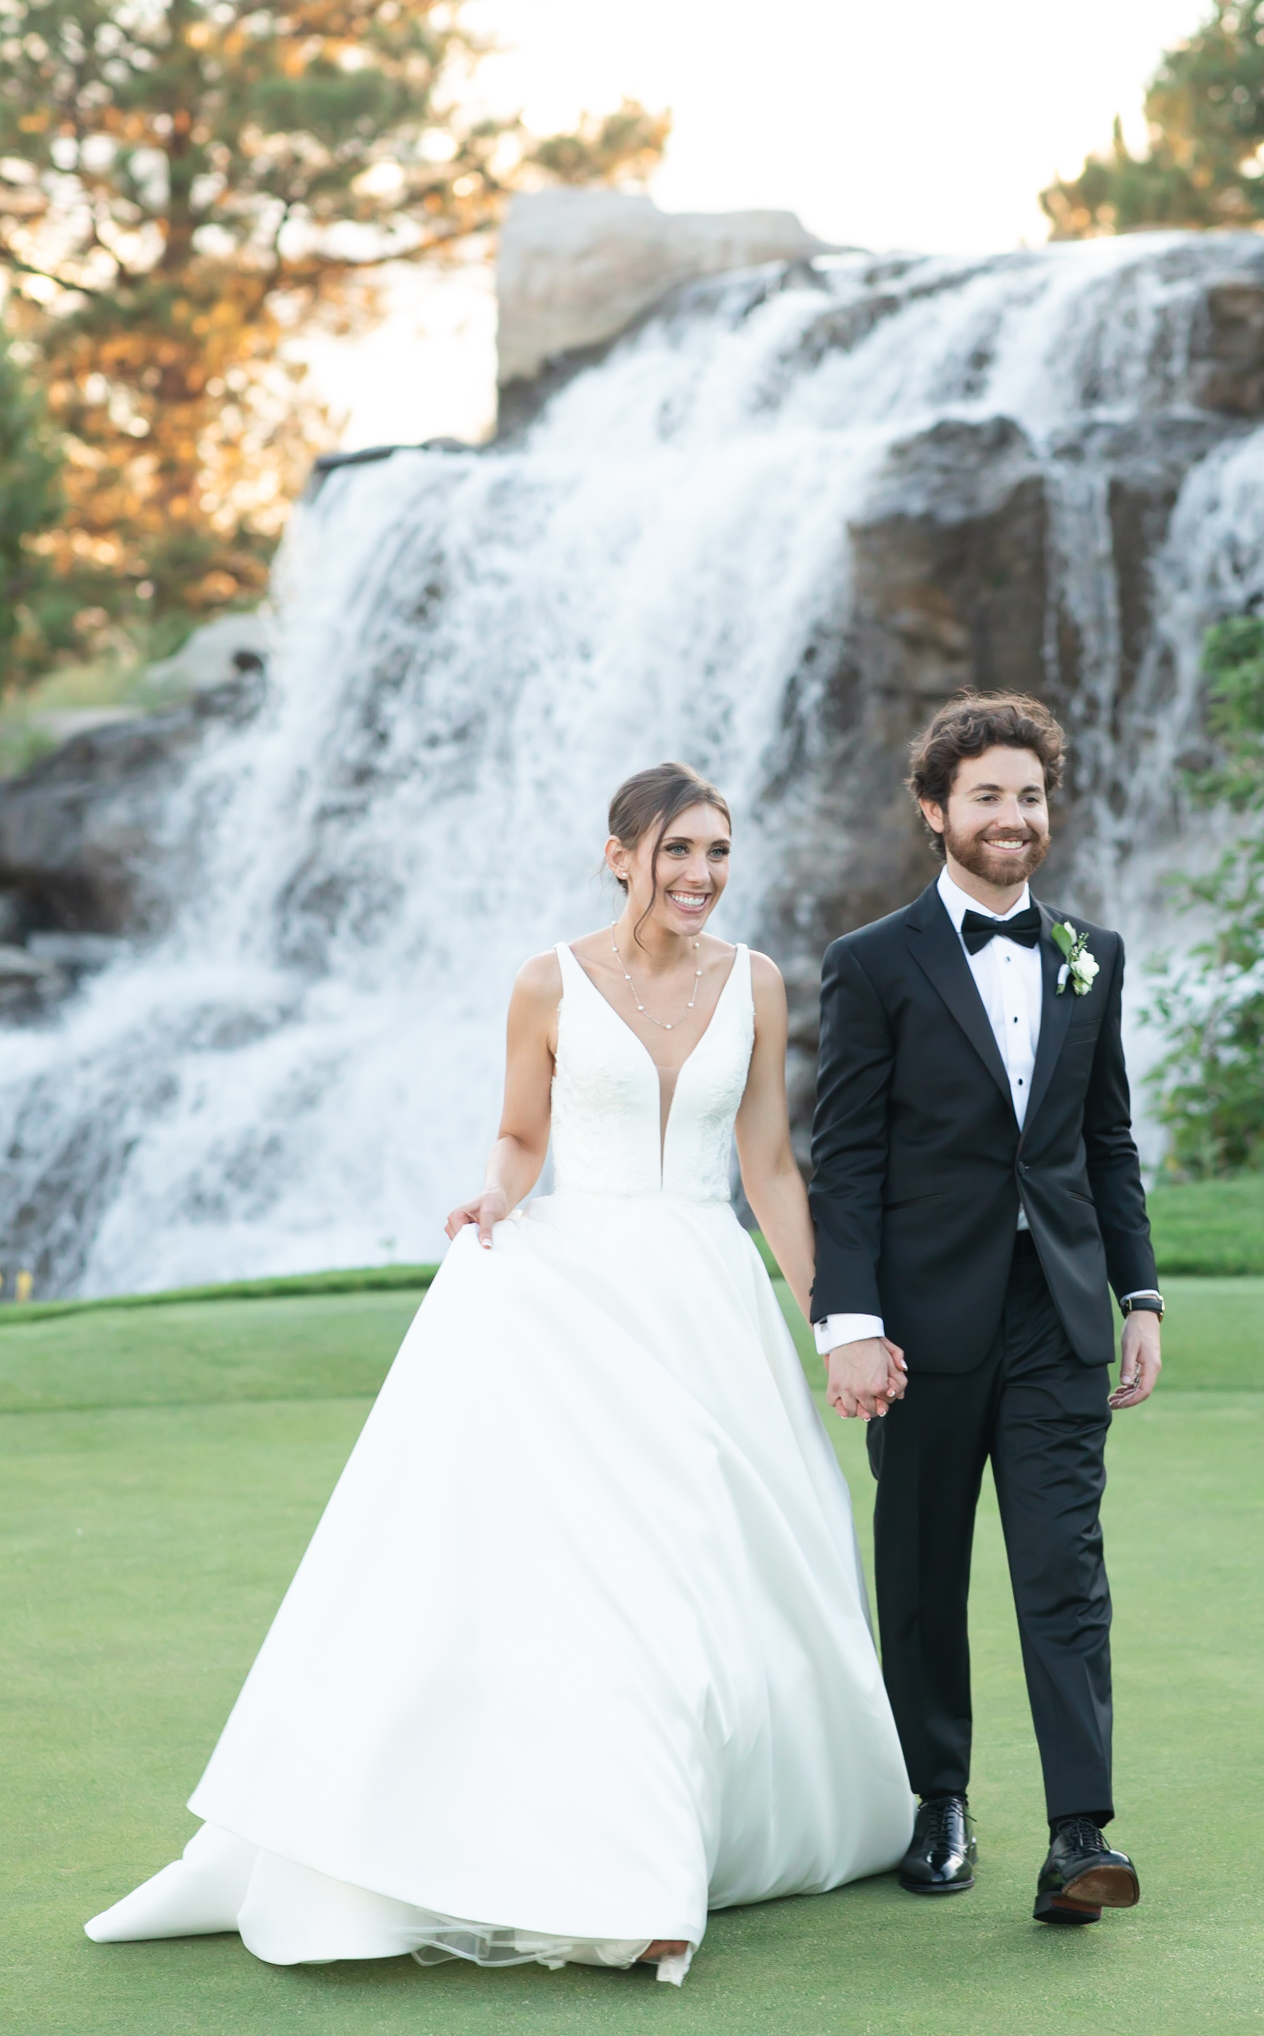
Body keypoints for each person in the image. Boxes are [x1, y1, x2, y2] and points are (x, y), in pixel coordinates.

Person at [86, 762, 912, 1985]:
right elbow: (523, 1133)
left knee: (706, 1566)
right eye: (677, 849)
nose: (700, 873)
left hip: (712, 1300)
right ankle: (636, 1879)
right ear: (620, 852)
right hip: (575, 1296)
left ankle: (687, 1835)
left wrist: (834, 1316)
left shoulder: (760, 982)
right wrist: (497, 1194)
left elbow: (773, 1167)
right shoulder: (547, 980)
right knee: (615, 1585)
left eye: (719, 852)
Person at [807, 692, 1163, 1928]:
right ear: (934, 810)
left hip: (1058, 1313)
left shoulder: (1092, 955)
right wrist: (846, 1321)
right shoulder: (870, 963)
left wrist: (1141, 1291)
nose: (1015, 818)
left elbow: (1106, 1140)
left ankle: (1080, 1835)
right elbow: (842, 1161)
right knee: (920, 1571)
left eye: (1030, 795)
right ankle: (937, 1797)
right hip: (919, 1324)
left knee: (1065, 1570)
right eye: (989, 796)